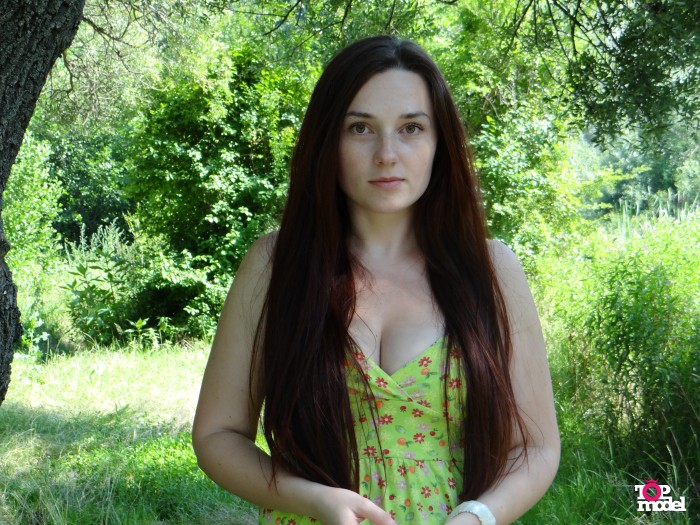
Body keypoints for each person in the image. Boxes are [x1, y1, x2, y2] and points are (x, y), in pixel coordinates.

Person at [192, 35, 560, 525]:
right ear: (328, 140)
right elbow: (217, 435)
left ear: (439, 143)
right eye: (360, 128)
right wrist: (314, 499)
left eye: (411, 127)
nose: (387, 154)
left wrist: (476, 517)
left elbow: (535, 447)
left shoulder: (492, 271)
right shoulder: (275, 266)